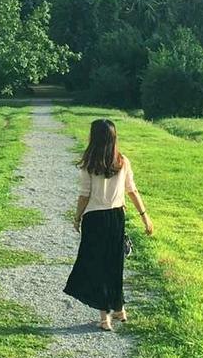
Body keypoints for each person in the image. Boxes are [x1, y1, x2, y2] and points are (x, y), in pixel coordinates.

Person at [64, 118, 153, 331]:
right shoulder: (122, 162)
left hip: (94, 219)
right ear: (114, 138)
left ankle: (105, 317)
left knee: (98, 266)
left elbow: (84, 196)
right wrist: (145, 217)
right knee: (115, 264)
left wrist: (77, 217)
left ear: (93, 138)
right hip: (116, 217)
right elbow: (132, 190)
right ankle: (120, 308)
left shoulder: (89, 164)